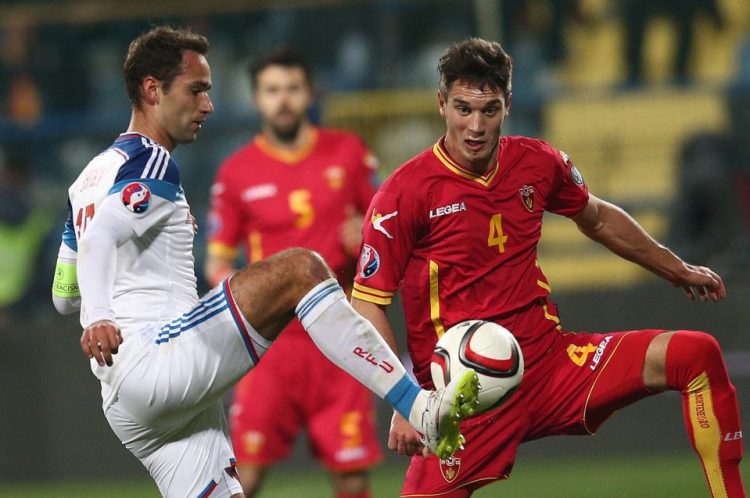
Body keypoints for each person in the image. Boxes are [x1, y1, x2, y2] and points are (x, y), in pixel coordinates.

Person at [49, 26, 480, 498]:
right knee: (300, 270)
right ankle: (419, 406)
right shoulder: (150, 159)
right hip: (157, 361)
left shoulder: (85, 181)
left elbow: (64, 295)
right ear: (153, 90)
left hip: (128, 402)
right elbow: (103, 237)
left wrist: (102, 309)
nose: (208, 105)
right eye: (196, 90)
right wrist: (101, 316)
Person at [350, 37, 745, 498]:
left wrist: (676, 269)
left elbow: (597, 218)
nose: (475, 126)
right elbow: (367, 305)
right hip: (462, 401)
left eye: (489, 110)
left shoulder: (537, 162)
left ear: (508, 104)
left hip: (550, 367)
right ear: (442, 104)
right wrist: (404, 401)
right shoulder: (403, 195)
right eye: (463, 109)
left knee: (695, 356)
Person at [204, 49, 382, 498]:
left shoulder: (349, 153)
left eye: (292, 88)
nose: (283, 99)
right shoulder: (236, 171)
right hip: (270, 345)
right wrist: (248, 297)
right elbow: (217, 262)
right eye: (272, 90)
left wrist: (365, 238)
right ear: (256, 98)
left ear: (309, 94)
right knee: (243, 477)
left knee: (352, 479)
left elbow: (388, 234)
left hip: (341, 336)